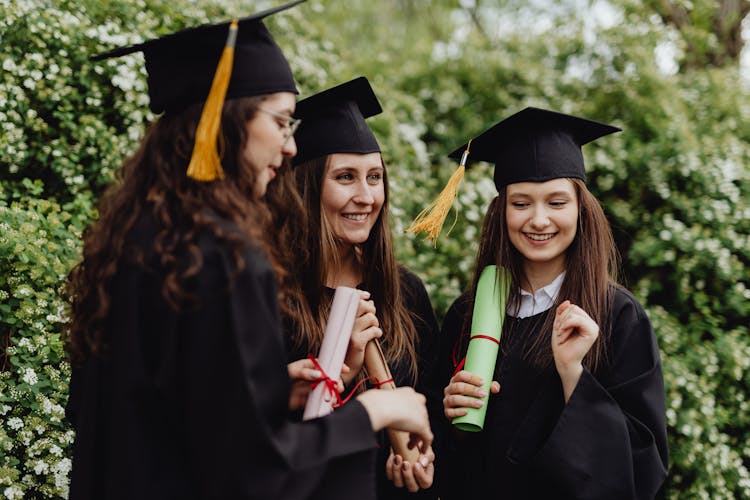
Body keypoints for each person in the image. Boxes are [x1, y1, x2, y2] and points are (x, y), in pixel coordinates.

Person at [63, 4, 432, 499]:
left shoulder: (141, 241)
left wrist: (276, 392)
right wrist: (373, 413)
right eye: (280, 122)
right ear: (227, 122)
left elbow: (159, 413)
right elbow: (252, 470)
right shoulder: (224, 257)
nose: (289, 148)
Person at [412, 107, 668, 499]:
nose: (539, 220)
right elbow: (435, 455)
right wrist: (446, 412)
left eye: (557, 202)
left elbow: (641, 468)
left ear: (581, 209)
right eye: (521, 203)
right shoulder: (468, 313)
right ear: (501, 211)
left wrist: (573, 376)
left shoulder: (618, 316)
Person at [269, 77, 442, 499]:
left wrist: (424, 455)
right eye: (345, 177)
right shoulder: (271, 296)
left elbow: (429, 403)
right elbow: (256, 437)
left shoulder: (405, 291)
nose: (366, 195)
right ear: (306, 187)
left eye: (375, 177)